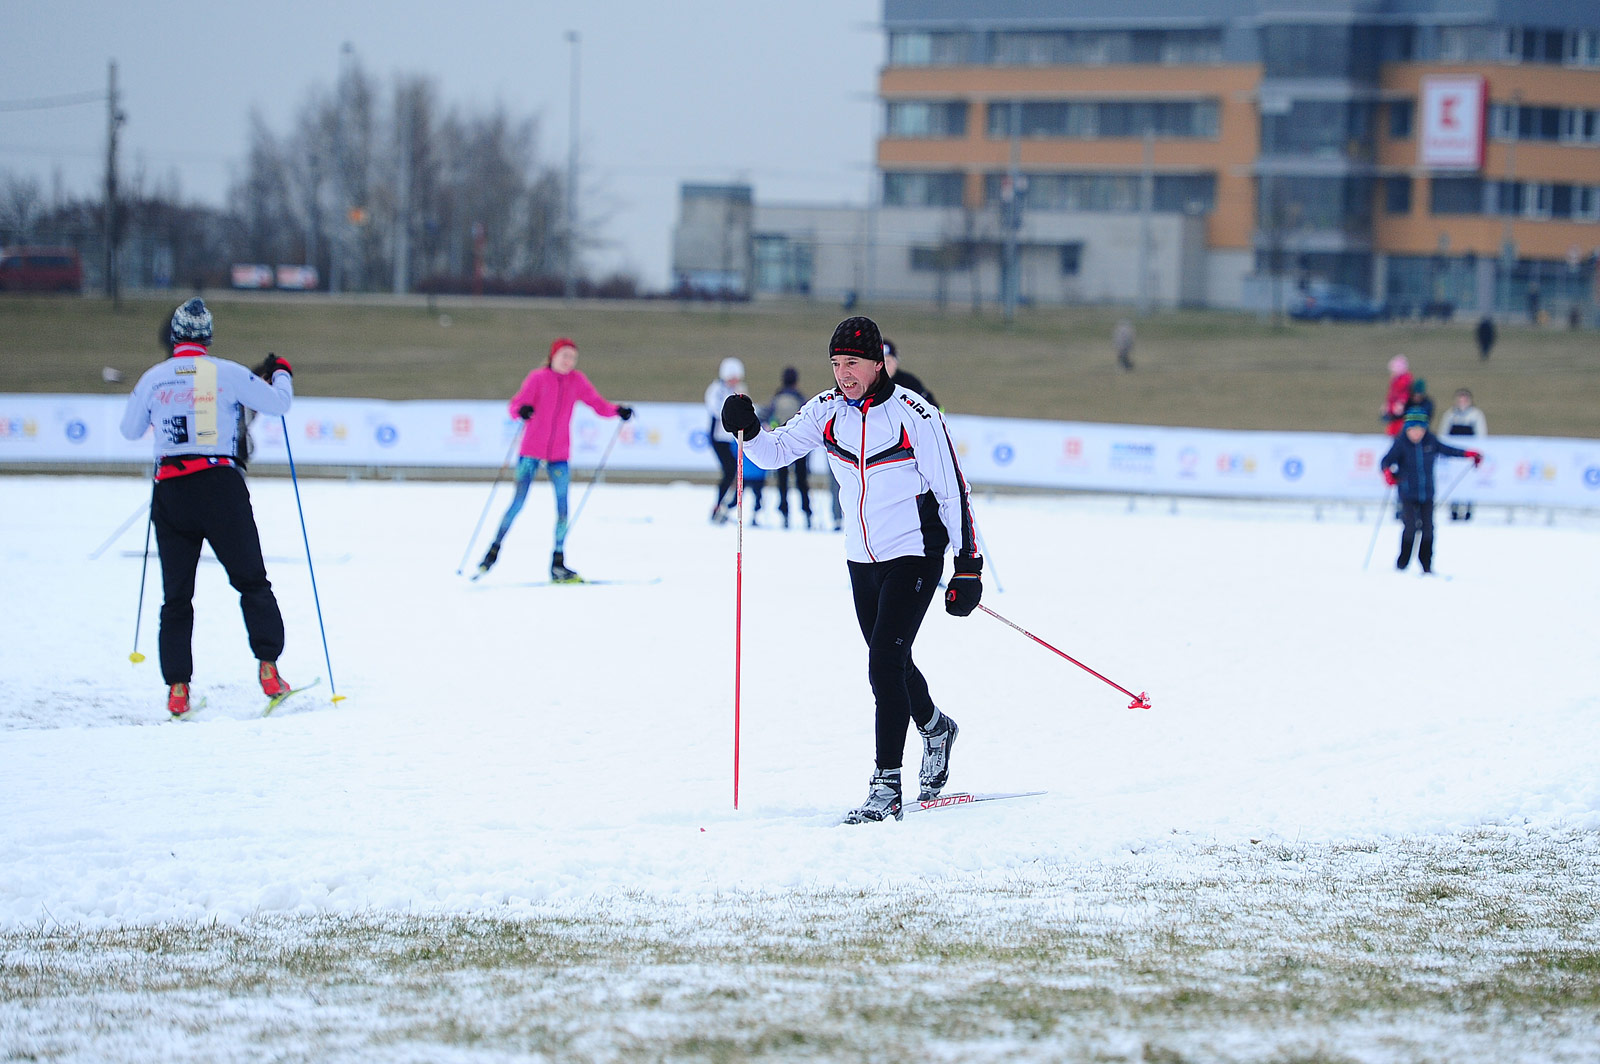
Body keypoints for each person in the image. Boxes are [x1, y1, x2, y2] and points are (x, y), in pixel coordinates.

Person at [720, 316, 983, 824]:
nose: (844, 374)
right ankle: (935, 727)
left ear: (878, 363)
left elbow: (953, 491)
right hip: (861, 557)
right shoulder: (825, 411)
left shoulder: (915, 416)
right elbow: (775, 451)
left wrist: (967, 565)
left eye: (854, 364)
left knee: (884, 660)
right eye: (837, 364)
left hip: (915, 551)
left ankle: (886, 787)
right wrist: (750, 427)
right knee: (893, 660)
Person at [119, 298, 296, 718]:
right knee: (251, 581)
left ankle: (178, 689)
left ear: (175, 337)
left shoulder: (154, 378)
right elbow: (279, 404)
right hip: (219, 486)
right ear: (208, 338)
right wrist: (283, 372)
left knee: (176, 596)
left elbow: (129, 430)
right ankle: (270, 669)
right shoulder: (227, 372)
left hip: (172, 489)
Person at [476, 337, 632, 583]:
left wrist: (617, 410)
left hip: (559, 454)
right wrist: (522, 411)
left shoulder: (577, 381)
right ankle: (492, 551)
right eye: (564, 356)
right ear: (553, 356)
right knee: (517, 503)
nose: (569, 361)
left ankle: (558, 562)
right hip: (531, 452)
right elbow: (515, 405)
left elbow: (597, 404)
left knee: (562, 510)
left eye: (573, 357)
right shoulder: (538, 378)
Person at [1381, 408, 1482, 575]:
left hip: (1427, 493)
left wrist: (1468, 454)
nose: (1416, 434)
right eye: (1413, 430)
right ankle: (1402, 563)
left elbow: (1448, 450)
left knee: (1428, 528)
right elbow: (1385, 461)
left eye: (1420, 430)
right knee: (1411, 527)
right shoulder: (1401, 443)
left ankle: (1426, 565)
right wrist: (1388, 474)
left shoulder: (1430, 441)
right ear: (1407, 429)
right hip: (1407, 493)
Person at [766, 367, 813, 529]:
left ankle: (784, 513)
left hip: (780, 445)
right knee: (802, 481)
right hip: (800, 445)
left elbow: (767, 416)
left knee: (782, 482)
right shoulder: (800, 398)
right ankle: (807, 513)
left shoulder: (777, 398)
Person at [704, 357, 745, 523]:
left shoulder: (739, 388)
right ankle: (719, 506)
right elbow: (716, 409)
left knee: (738, 472)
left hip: (734, 438)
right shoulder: (717, 390)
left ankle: (729, 505)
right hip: (719, 437)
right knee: (730, 471)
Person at [1437, 388, 1487, 521]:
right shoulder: (1450, 415)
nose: (1462, 401)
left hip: (1469, 456)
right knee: (1454, 481)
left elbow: (1481, 435)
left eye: (1465, 399)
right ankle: (1453, 508)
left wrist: (1476, 451)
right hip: (1454, 456)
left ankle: (1468, 509)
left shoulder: (1476, 415)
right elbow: (1444, 433)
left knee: (1469, 482)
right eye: (1460, 399)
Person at [881, 337, 938, 406]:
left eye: (888, 362)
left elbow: (932, 408)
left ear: (896, 362)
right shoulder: (867, 384)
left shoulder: (910, 383)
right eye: (879, 362)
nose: (883, 367)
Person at [1381, 354, 1412, 436]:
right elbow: (1391, 394)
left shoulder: (1403, 380)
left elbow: (1403, 393)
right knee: (1392, 424)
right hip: (1393, 406)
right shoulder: (1395, 380)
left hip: (1398, 408)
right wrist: (1387, 405)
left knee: (1398, 425)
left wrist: (1400, 403)